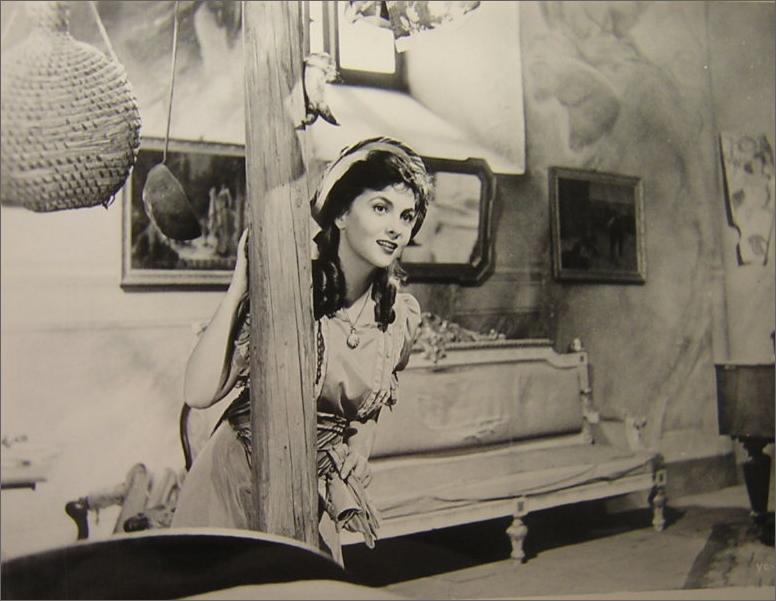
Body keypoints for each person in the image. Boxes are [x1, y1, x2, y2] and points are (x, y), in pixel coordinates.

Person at [171, 137, 432, 564]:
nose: (395, 228)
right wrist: (239, 287)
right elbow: (198, 393)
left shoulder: (398, 317)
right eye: (380, 208)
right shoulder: (291, 292)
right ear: (342, 214)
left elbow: (368, 409)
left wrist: (358, 454)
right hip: (238, 480)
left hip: (311, 491)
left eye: (407, 216)